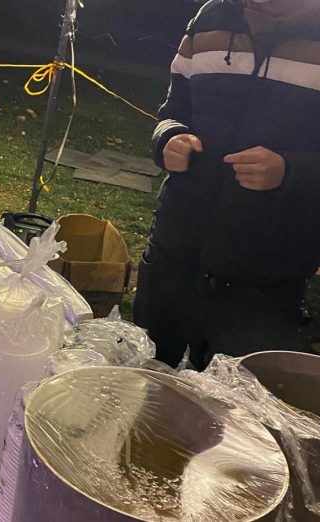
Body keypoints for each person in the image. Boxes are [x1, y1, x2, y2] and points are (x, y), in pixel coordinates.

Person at [133, 0, 320, 370]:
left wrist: (290, 170)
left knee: (236, 414)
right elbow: (172, 111)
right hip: (175, 252)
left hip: (266, 276)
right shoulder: (210, 17)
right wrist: (168, 138)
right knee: (144, 389)